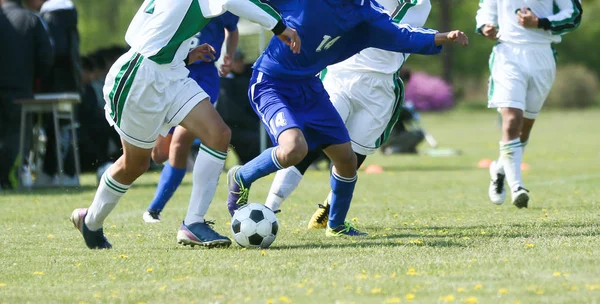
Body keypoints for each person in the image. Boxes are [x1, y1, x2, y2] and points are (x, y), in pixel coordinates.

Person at [69, 0, 301, 250]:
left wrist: (181, 53)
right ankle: (90, 221)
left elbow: (137, 31)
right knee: (135, 164)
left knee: (218, 134)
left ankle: (193, 224)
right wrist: (279, 26)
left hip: (173, 72)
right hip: (140, 80)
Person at [225, 0, 467, 237]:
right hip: (272, 82)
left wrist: (443, 37)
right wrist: (277, 26)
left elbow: (401, 36)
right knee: (295, 149)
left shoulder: (366, 11)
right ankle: (241, 176)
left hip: (310, 87)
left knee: (346, 160)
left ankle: (336, 225)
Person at [262, 0, 433, 229]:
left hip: (380, 86)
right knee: (309, 143)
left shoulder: (421, 4)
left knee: (355, 153)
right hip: (340, 74)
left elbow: (394, 33)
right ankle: (268, 208)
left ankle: (330, 209)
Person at [476, 0, 582, 208]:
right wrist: (485, 27)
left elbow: (573, 14)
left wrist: (540, 22)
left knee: (524, 130)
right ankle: (517, 187)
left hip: (542, 55)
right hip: (508, 54)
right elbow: (485, 11)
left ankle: (499, 170)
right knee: (511, 120)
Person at [142, 12, 240, 223]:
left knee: (180, 142)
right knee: (159, 154)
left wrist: (227, 56)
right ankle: (157, 206)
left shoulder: (224, 5)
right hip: (173, 72)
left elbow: (232, 29)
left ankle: (154, 210)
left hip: (203, 77)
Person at [0, 0, 53, 189]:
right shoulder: (32, 20)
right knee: (17, 137)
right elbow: (46, 57)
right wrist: (36, 80)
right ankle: (8, 179)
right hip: (20, 91)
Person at [33, 0, 81, 186]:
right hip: (70, 84)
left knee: (57, 130)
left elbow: (54, 52)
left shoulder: (53, 16)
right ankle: (63, 172)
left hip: (55, 86)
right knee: (64, 128)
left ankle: (53, 172)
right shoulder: (68, 15)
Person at [217, 49, 271, 165]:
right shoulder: (224, 84)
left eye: (241, 60)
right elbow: (230, 111)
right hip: (236, 125)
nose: (239, 63)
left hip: (254, 121)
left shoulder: (249, 74)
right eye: (236, 61)